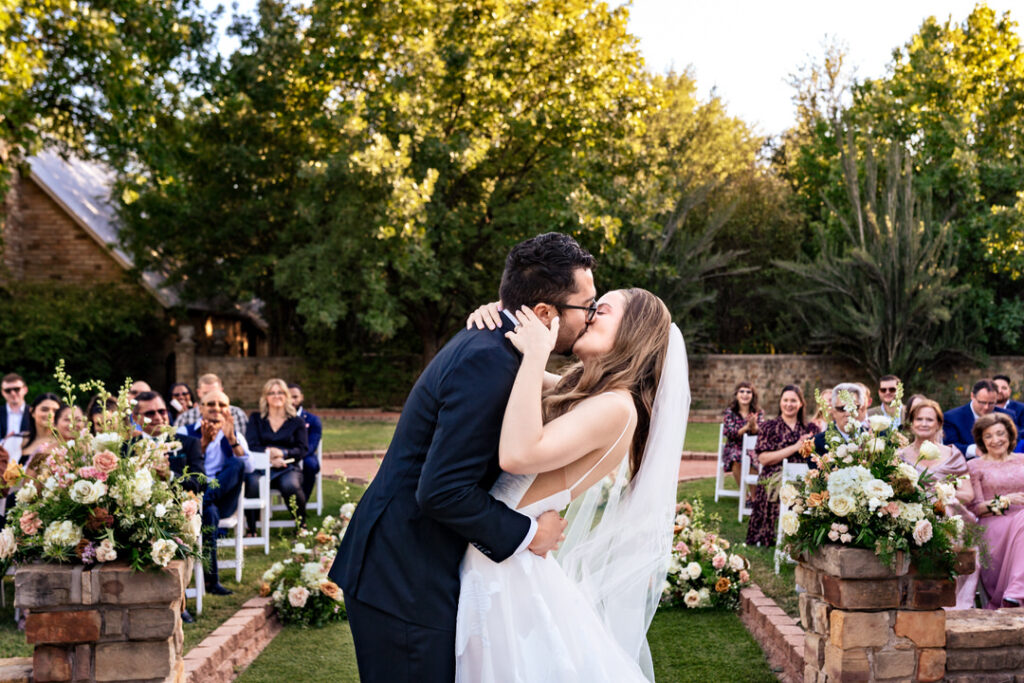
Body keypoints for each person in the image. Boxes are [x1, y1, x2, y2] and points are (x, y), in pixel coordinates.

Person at [329, 232, 593, 682]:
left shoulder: (501, 345)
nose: (589, 317)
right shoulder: (487, 361)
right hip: (403, 576)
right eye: (585, 307)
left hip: (415, 567)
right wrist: (531, 533)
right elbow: (441, 490)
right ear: (545, 313)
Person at [456, 289, 684, 681]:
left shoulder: (616, 407)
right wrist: (498, 317)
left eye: (603, 310)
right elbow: (512, 363)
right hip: (499, 548)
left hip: (500, 565)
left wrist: (535, 354)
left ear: (634, 331)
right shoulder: (585, 389)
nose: (590, 315)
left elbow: (517, 454)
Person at [897, 398, 977, 609]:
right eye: (919, 419)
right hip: (911, 512)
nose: (923, 423)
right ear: (911, 423)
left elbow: (968, 494)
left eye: (929, 420)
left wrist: (943, 493)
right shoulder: (900, 456)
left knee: (944, 512)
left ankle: (948, 592)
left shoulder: (952, 454)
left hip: (947, 510)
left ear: (939, 424)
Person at [176, 389, 249, 595]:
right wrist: (202, 445)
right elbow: (181, 467)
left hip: (222, 495)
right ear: (200, 408)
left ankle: (205, 500)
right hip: (194, 495)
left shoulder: (235, 434)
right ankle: (211, 581)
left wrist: (232, 439)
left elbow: (250, 468)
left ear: (228, 409)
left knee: (236, 464)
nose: (216, 409)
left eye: (222, 405)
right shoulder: (184, 433)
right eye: (211, 404)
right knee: (209, 514)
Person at [747, 385, 818, 546]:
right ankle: (773, 534)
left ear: (801, 403)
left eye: (793, 400)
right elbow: (764, 459)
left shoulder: (811, 428)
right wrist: (795, 446)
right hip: (774, 475)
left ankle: (802, 535)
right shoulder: (769, 427)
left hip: (804, 476)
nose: (789, 404)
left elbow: (817, 457)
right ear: (780, 402)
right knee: (778, 486)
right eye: (785, 400)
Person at [965, 412, 1024, 608]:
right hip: (994, 524)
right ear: (981, 440)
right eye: (988, 436)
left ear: (1010, 435)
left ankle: (1017, 592)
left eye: (1000, 434)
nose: (996, 440)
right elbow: (976, 508)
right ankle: (1016, 591)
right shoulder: (974, 466)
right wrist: (1004, 501)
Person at [244, 378, 308, 529]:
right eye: (271, 393)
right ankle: (251, 528)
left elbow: (302, 449)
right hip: (260, 466)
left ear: (286, 395)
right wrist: (270, 457)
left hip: (287, 466)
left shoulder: (296, 421)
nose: (276, 396)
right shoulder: (256, 418)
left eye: (280, 392)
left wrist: (283, 453)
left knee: (290, 485)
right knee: (252, 483)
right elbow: (251, 445)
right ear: (265, 397)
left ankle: (301, 524)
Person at [944, 379, 1016, 458]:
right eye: (982, 402)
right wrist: (974, 450)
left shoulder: (1006, 415)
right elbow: (949, 446)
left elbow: (1014, 441)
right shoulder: (952, 417)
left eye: (991, 403)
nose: (986, 407)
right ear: (972, 396)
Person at [721, 382, 764, 485]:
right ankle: (744, 495)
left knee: (754, 459)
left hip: (752, 448)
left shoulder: (758, 412)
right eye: (742, 391)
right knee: (736, 457)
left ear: (753, 395)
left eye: (748, 392)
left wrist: (754, 426)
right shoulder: (730, 412)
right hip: (734, 447)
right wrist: (746, 427)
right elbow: (730, 433)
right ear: (736, 395)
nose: (745, 394)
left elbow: (761, 433)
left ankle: (753, 497)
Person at [173, 374, 248, 428]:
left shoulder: (237, 414)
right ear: (199, 393)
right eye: (206, 393)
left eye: (214, 392)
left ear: (221, 391)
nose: (210, 397)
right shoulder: (185, 418)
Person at [288, 383, 323, 501]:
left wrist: (295, 456)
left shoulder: (313, 420)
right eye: (288, 397)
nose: (292, 401)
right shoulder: (277, 418)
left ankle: (302, 501)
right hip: (285, 454)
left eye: (295, 397)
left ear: (301, 397)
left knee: (310, 465)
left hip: (305, 454)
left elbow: (312, 445)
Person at [812, 383, 867, 455]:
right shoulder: (818, 443)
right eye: (842, 408)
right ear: (833, 411)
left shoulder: (874, 440)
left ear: (861, 409)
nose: (848, 414)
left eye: (853, 408)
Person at [20, 393, 65, 474]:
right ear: (32, 411)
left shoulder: (63, 444)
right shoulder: (16, 440)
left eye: (55, 411)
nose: (50, 414)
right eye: (44, 409)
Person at [1, 373, 31, 463]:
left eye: (16, 389)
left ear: (25, 389)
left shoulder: (35, 413)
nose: (13, 393)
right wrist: (4, 442)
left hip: (28, 462)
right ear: (3, 393)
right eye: (8, 390)